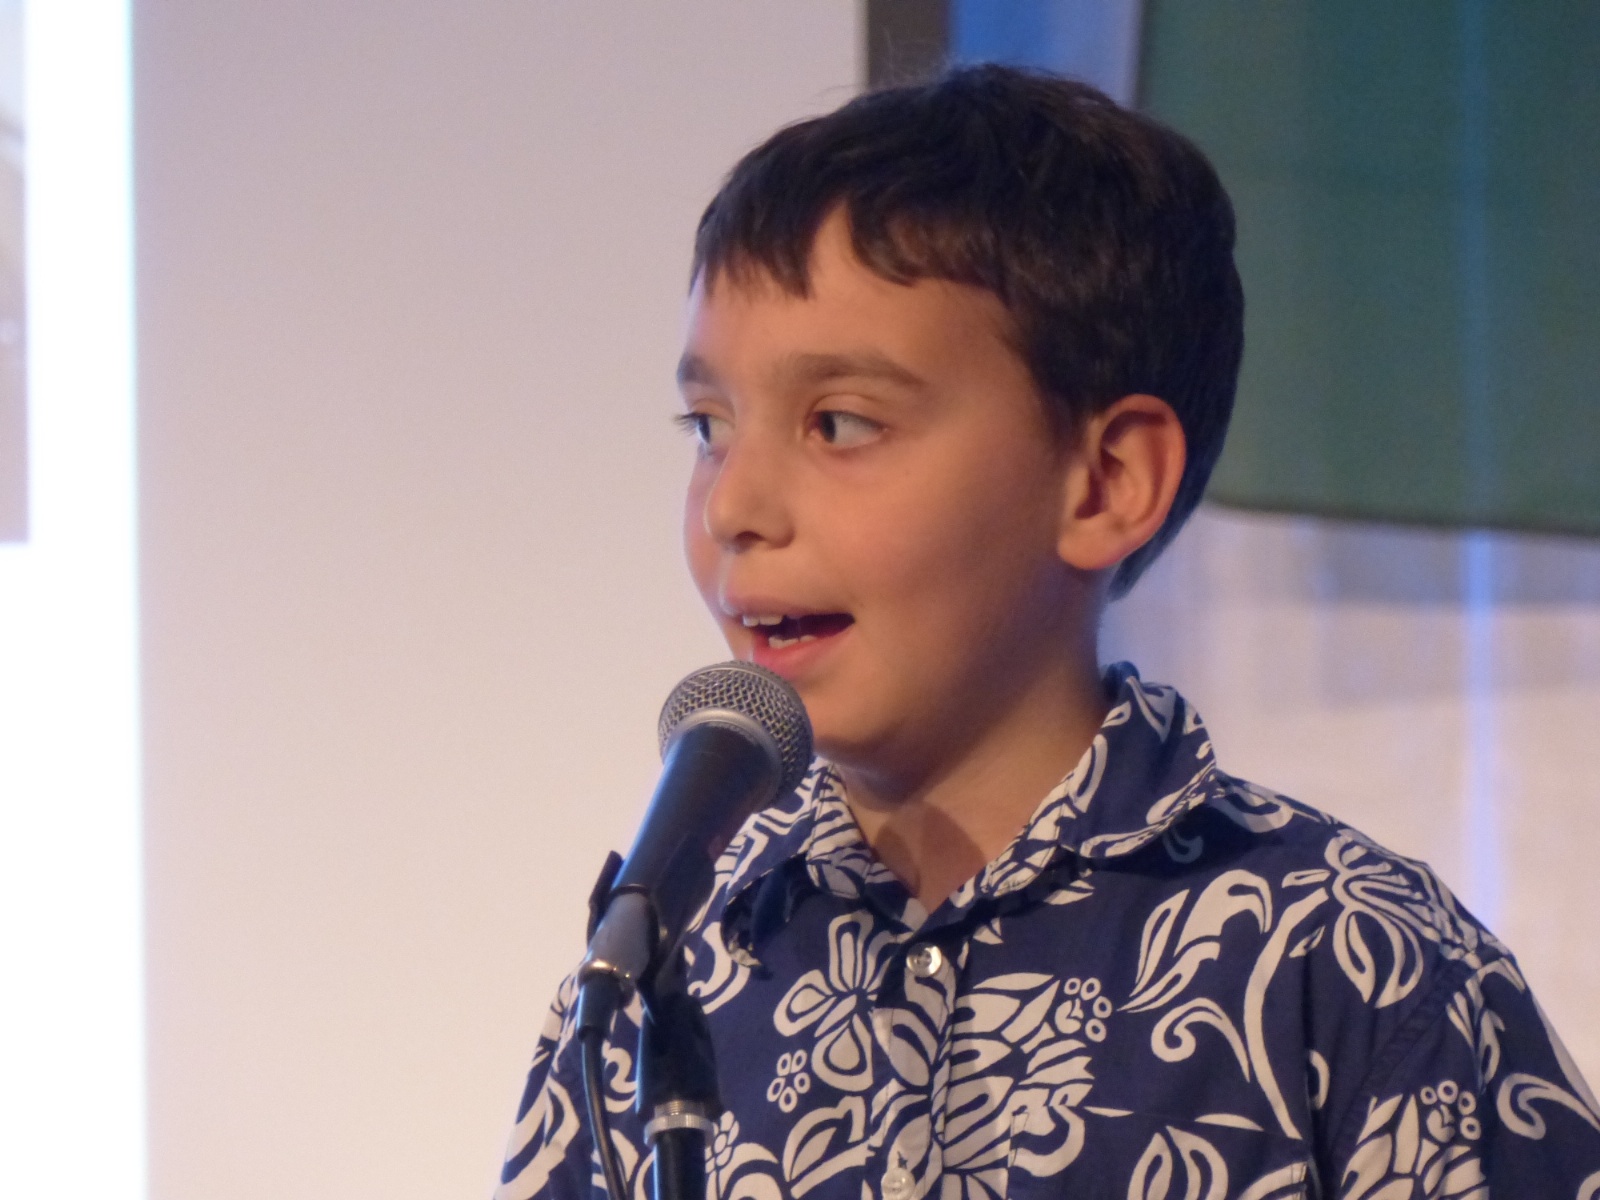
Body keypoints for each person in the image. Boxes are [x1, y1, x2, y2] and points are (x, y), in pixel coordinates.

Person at [496, 65, 1600, 1200]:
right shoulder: (663, 978)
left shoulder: (1345, 956)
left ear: (1106, 482)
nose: (733, 506)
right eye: (708, 427)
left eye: (840, 424)